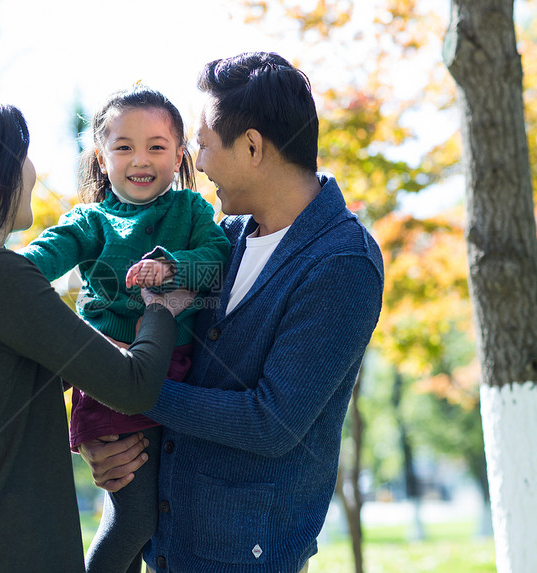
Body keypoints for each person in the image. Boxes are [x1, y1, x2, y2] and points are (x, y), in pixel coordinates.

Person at [79, 52, 385, 573]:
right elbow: (159, 339)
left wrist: (127, 387)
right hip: (172, 543)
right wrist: (104, 435)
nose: (196, 162)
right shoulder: (225, 238)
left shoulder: (341, 262)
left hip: (247, 558)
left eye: (201, 143)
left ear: (251, 147)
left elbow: (272, 422)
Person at [0, 92, 193, 573]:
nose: (32, 169)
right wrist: (163, 304)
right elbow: (133, 384)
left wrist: (95, 432)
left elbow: (2, 389)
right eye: (22, 155)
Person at [19, 84, 230, 573]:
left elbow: (218, 260)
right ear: (101, 156)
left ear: (180, 155)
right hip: (113, 379)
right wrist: (2, 272)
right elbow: (43, 255)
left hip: (179, 377)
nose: (141, 159)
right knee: (133, 519)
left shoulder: (191, 211)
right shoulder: (91, 220)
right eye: (123, 147)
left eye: (157, 147)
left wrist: (172, 267)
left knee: (152, 520)